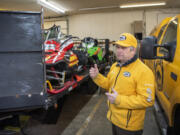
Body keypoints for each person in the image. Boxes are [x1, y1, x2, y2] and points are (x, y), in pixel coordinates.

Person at [89, 33, 155, 135]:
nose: (119, 50)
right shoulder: (115, 66)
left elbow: (147, 100)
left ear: (133, 50)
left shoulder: (144, 71)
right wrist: (97, 76)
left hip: (129, 126)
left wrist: (119, 100)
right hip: (114, 119)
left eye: (123, 48)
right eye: (118, 47)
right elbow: (108, 84)